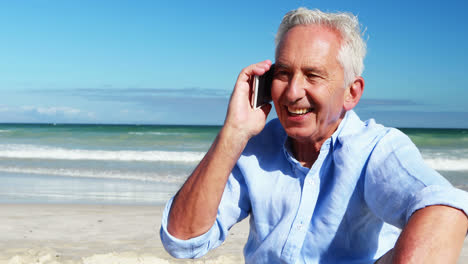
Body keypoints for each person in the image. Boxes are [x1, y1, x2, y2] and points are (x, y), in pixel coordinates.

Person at [160, 7, 468, 263]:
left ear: (351, 92)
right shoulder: (254, 148)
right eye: (283, 73)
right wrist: (233, 133)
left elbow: (445, 208)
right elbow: (183, 241)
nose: (293, 93)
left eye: (312, 75)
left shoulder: (375, 149)